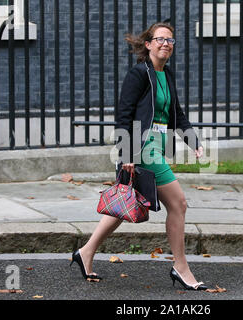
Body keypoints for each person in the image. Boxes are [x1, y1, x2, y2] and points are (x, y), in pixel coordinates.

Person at [70, 22, 207, 291]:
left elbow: (176, 113)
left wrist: (193, 141)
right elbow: (124, 116)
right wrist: (127, 153)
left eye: (170, 41)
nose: (166, 44)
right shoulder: (138, 74)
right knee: (178, 204)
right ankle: (180, 266)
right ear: (148, 44)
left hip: (156, 147)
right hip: (142, 149)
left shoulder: (166, 75)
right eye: (160, 39)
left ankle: (85, 252)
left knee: (124, 204)